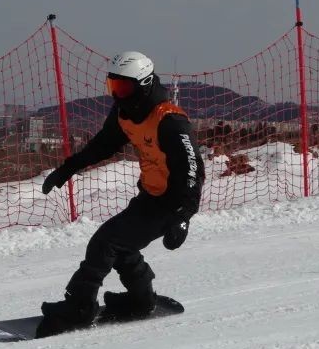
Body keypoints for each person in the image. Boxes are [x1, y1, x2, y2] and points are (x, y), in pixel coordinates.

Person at [39, 51, 205, 332]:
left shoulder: (170, 121)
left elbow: (192, 171)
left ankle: (80, 306)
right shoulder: (125, 113)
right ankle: (141, 299)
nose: (118, 94)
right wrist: (67, 168)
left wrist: (183, 216)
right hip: (150, 195)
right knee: (121, 243)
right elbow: (103, 144)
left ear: (143, 85)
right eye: (113, 86)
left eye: (124, 87)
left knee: (106, 243)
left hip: (172, 203)